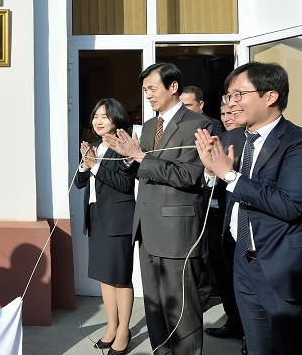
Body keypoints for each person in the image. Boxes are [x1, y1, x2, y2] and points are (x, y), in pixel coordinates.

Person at [195, 62, 302, 355]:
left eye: (239, 95)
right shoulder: (234, 138)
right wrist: (211, 173)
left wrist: (229, 175)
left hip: (279, 267)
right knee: (256, 347)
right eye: (229, 96)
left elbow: (290, 205)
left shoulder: (295, 142)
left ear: (270, 97)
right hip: (242, 263)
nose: (232, 104)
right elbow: (221, 186)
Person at [104, 62, 211, 355]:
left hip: (177, 230)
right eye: (145, 90)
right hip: (146, 226)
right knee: (154, 307)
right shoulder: (150, 125)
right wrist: (128, 159)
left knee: (181, 310)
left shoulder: (199, 124)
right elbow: (143, 169)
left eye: (152, 88)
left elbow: (188, 176)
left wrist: (139, 156)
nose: (148, 95)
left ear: (173, 87)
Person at [74, 98, 136, 355]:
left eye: (104, 117)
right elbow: (79, 182)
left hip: (118, 219)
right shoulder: (96, 147)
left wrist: (95, 166)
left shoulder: (125, 148)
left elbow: (124, 184)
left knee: (120, 277)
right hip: (97, 217)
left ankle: (124, 330)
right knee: (105, 276)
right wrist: (84, 164)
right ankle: (112, 326)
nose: (98, 121)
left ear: (117, 120)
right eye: (96, 116)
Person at [202, 102, 246, 354]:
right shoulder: (219, 138)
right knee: (221, 273)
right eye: (224, 113)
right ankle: (233, 321)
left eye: (232, 112)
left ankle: (248, 331)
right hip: (214, 216)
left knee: (240, 276)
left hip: (239, 217)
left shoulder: (249, 138)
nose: (227, 117)